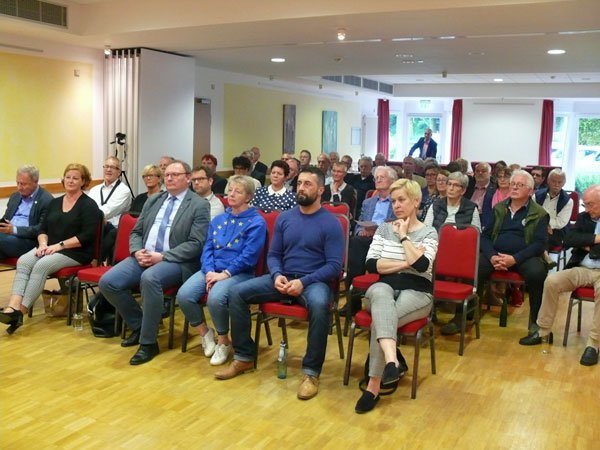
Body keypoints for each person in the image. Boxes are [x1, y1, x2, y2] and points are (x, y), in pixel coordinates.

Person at [214, 167, 344, 401]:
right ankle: (244, 357)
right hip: (282, 277)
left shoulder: (331, 223)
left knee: (319, 305)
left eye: (308, 184)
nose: (301, 188)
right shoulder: (286, 218)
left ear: (320, 190)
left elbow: (335, 266)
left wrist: (303, 282)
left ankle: (311, 373)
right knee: (237, 293)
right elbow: (273, 254)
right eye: (299, 183)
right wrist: (276, 275)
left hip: (313, 280)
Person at [98, 160, 210, 365]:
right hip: (144, 255)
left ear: (188, 178)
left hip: (176, 261)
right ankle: (140, 326)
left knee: (150, 279)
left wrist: (163, 256)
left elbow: (196, 244)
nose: (169, 178)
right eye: (167, 175)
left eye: (175, 175)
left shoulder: (199, 205)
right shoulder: (154, 200)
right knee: (108, 282)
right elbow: (137, 231)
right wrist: (136, 251)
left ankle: (148, 343)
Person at [354, 178, 438, 413]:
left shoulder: (429, 232)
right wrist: (405, 263)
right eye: (393, 201)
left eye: (402, 200)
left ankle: (373, 386)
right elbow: (372, 264)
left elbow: (421, 266)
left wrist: (403, 236)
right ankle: (392, 361)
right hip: (385, 286)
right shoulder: (383, 229)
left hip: (418, 291)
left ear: (416, 201)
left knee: (381, 321)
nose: (397, 205)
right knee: (380, 293)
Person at [176, 175, 266, 366]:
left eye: (237, 191)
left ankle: (224, 341)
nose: (231, 194)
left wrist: (224, 275)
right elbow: (207, 248)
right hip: (212, 270)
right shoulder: (219, 219)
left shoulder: (256, 222)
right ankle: (205, 332)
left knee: (216, 297)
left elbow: (249, 256)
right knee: (184, 295)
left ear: (248, 197)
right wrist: (209, 271)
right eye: (230, 190)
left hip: (239, 273)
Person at [0, 164, 101, 333]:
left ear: (83, 181)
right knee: (24, 261)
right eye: (68, 177)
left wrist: (58, 246)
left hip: (75, 252)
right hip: (50, 247)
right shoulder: (55, 202)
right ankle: (12, 307)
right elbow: (42, 229)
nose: (70, 181)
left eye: (75, 178)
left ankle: (20, 312)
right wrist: (43, 244)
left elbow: (86, 236)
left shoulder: (89, 205)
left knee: (41, 265)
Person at [519, 185, 600, 366]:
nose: (587, 209)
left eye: (591, 205)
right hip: (582, 268)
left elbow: (579, 241)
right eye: (585, 204)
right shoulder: (584, 217)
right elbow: (569, 239)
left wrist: (587, 245)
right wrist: (596, 240)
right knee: (552, 280)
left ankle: (593, 344)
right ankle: (543, 331)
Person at [466, 170, 548, 339]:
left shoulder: (540, 213)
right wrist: (492, 256)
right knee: (474, 266)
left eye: (520, 185)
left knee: (538, 272)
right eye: (513, 184)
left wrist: (515, 259)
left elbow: (539, 244)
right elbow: (485, 236)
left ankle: (535, 321)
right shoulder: (499, 208)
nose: (514, 187)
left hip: (523, 257)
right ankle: (468, 315)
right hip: (496, 255)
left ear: (530, 191)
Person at [346, 166, 397, 313]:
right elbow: (359, 223)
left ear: (392, 181)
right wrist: (361, 231)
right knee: (355, 242)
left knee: (357, 245)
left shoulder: (397, 202)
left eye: (382, 177)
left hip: (387, 240)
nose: (378, 180)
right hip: (366, 240)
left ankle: (375, 300)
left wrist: (378, 232)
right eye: (376, 178)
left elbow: (398, 223)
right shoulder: (368, 202)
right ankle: (353, 302)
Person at [0, 165, 53, 259]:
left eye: (23, 184)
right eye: (18, 183)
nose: (19, 187)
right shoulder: (15, 196)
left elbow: (41, 229)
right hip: (7, 237)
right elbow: (6, 218)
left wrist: (14, 230)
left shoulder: (46, 200)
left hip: (28, 241)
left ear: (35, 182)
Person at [88, 157, 132, 261]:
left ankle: (94, 260)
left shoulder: (124, 190)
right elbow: (87, 208)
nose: (108, 170)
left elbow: (108, 211)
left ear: (119, 172)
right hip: (94, 226)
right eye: (106, 166)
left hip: (112, 231)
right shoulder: (94, 190)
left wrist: (93, 215)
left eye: (112, 167)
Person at [534, 169, 573, 265]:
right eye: (554, 181)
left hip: (558, 231)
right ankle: (544, 255)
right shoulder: (537, 195)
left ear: (564, 183)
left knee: (544, 237)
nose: (557, 184)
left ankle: (543, 255)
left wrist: (547, 225)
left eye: (560, 182)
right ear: (548, 181)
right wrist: (544, 225)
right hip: (538, 227)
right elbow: (532, 214)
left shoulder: (568, 201)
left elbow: (561, 222)